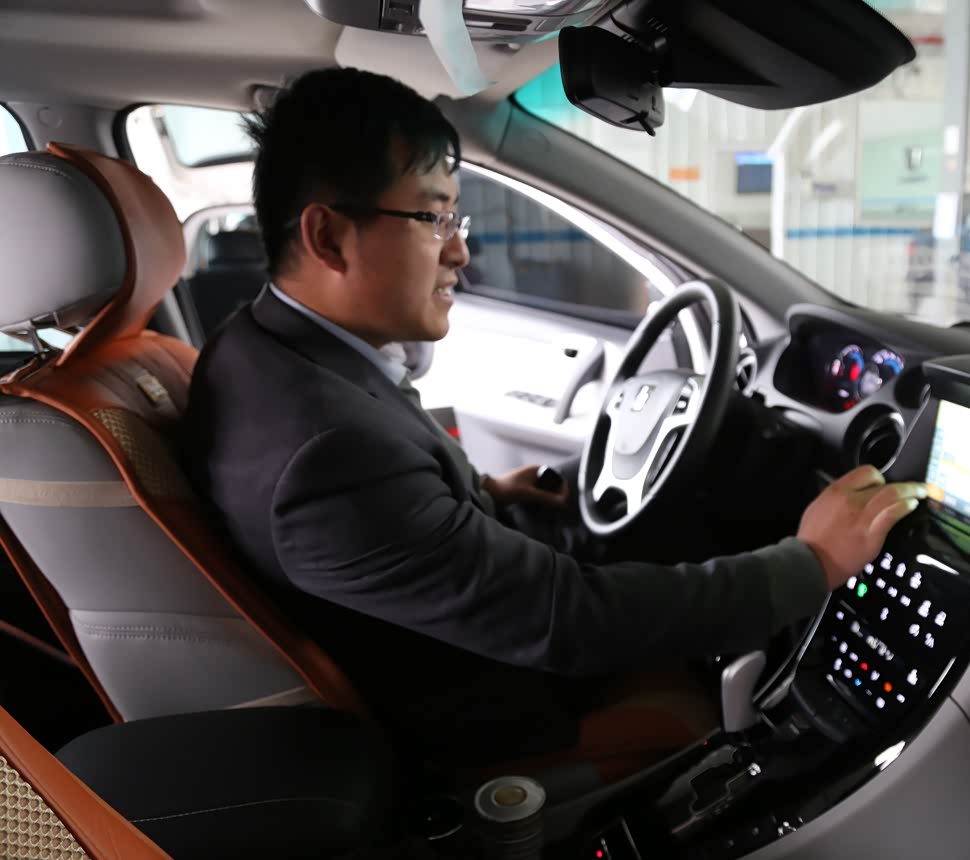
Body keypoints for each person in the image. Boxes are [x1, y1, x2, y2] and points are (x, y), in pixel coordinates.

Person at [181, 67, 925, 772]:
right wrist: (812, 563)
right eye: (433, 217)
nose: (460, 250)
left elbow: (382, 515)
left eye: (454, 217)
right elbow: (570, 621)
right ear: (327, 237)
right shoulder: (328, 452)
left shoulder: (254, 350)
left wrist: (482, 496)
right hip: (484, 718)